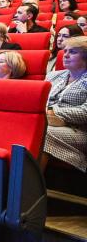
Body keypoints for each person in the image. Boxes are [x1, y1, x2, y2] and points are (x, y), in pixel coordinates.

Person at [42, 37, 87, 172]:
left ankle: (28, 184)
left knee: (42, 133)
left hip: (79, 130)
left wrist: (53, 112)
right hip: (47, 121)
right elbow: (38, 99)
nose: (65, 55)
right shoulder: (53, 76)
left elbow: (85, 112)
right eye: (65, 51)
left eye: (72, 52)